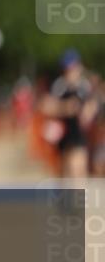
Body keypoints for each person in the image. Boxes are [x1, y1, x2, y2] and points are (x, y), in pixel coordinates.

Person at [40, 49, 95, 178]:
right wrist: (66, 108)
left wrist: (87, 112)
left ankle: (79, 197)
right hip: (63, 135)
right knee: (66, 171)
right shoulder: (59, 85)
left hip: (79, 135)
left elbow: (91, 106)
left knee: (78, 168)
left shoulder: (84, 86)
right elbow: (46, 106)